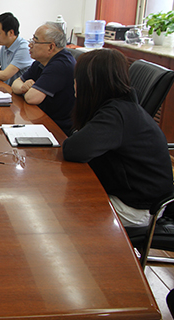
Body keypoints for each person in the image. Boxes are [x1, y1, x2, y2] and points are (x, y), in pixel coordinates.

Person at [62, 49, 173, 227]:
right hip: (133, 194)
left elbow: (73, 150)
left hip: (138, 207)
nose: (74, 83)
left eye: (77, 78)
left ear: (91, 82)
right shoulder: (118, 106)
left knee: (65, 213)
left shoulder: (116, 114)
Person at [11, 22, 75, 135]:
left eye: (35, 41)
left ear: (51, 47)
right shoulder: (41, 62)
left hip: (58, 130)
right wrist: (23, 87)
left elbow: (32, 98)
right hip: (41, 120)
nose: (30, 45)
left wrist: (26, 90)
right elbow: (15, 83)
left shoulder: (61, 65)